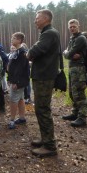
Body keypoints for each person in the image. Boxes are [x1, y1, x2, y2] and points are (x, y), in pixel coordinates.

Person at [26, 9, 60, 158]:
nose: (35, 21)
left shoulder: (49, 33)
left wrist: (30, 53)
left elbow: (35, 50)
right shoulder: (47, 33)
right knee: (40, 108)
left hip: (44, 76)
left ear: (46, 18)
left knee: (42, 108)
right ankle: (45, 139)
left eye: (37, 18)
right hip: (43, 75)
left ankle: (50, 146)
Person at [62, 19, 87, 127]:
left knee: (79, 93)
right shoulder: (72, 38)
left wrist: (67, 53)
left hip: (79, 69)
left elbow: (68, 54)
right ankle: (75, 113)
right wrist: (67, 53)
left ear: (78, 26)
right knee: (73, 93)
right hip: (73, 68)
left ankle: (82, 118)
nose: (72, 28)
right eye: (70, 27)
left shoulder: (81, 38)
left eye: (74, 26)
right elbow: (67, 53)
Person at [7, 32, 30, 129]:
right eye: (12, 37)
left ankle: (12, 120)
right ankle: (22, 117)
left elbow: (20, 69)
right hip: (17, 80)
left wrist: (16, 82)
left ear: (19, 40)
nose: (12, 39)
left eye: (14, 38)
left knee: (13, 100)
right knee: (20, 99)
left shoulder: (22, 52)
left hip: (18, 81)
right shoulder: (17, 51)